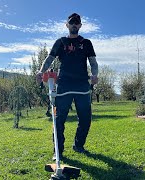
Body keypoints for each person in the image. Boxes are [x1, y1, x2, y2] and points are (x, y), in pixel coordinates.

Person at [36, 13, 98, 160]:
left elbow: (93, 63)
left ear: (80, 25)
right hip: (64, 85)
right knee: (58, 120)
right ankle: (58, 151)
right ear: (67, 25)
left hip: (82, 85)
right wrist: (41, 71)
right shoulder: (61, 42)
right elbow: (49, 59)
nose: (74, 25)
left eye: (77, 23)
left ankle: (78, 145)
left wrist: (94, 75)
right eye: (72, 23)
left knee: (85, 119)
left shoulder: (86, 43)